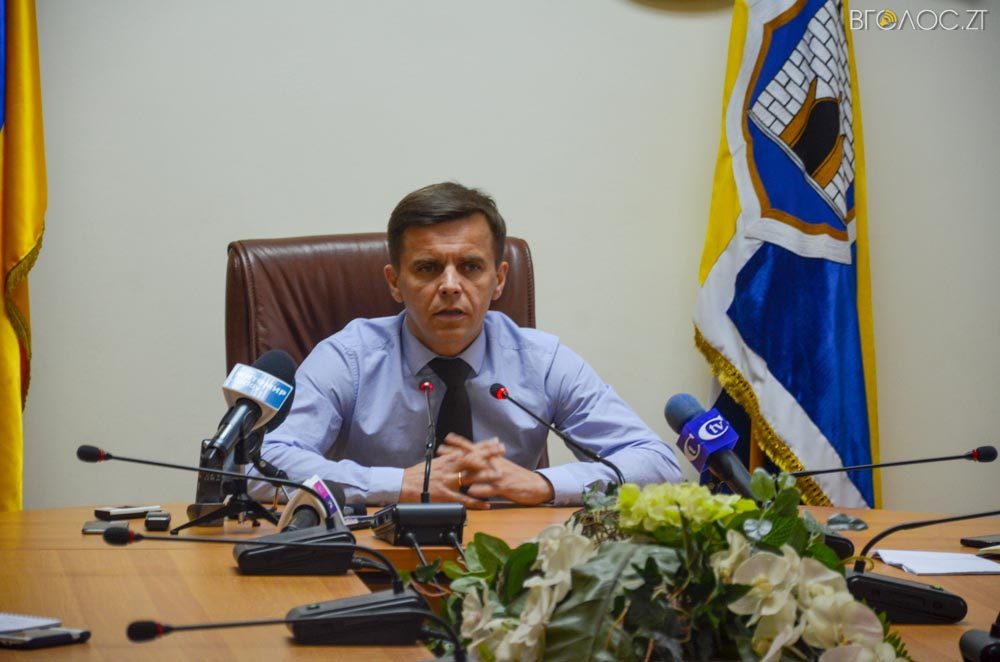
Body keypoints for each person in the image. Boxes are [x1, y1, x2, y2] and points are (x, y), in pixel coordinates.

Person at [253, 182, 682, 507]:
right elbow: (260, 466)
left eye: (471, 267)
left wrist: (545, 484)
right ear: (395, 282)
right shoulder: (349, 358)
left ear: (499, 279)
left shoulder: (542, 361)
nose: (450, 286)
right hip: (375, 559)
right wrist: (399, 484)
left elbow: (658, 463)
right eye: (427, 268)